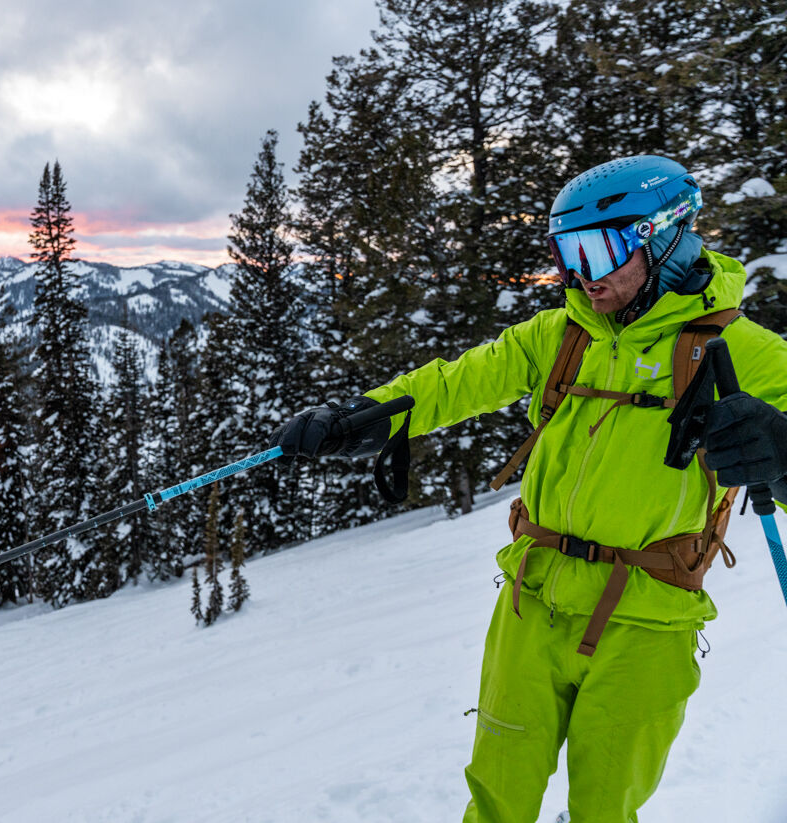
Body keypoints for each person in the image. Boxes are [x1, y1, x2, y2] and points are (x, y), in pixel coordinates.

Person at [271, 155, 787, 822]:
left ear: (663, 236)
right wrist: (363, 416)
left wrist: (780, 449)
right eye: (565, 251)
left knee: (604, 808)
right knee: (496, 798)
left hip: (648, 621)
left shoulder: (739, 351)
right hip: (532, 600)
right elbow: (455, 381)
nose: (579, 273)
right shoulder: (560, 336)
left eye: (597, 250)